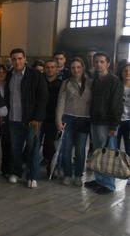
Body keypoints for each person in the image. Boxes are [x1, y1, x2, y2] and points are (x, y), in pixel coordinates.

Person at [5, 48, 48, 188]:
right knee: (16, 148)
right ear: (11, 61)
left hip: (31, 120)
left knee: (32, 147)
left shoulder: (35, 75)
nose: (17, 61)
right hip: (13, 118)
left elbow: (42, 98)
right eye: (14, 59)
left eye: (19, 58)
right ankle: (16, 172)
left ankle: (32, 176)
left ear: (25, 59)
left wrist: (37, 118)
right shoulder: (9, 75)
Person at [85, 52, 123, 194]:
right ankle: (99, 180)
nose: (98, 64)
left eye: (101, 61)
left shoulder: (114, 81)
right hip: (95, 120)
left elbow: (117, 105)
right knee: (97, 152)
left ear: (107, 64)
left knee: (107, 154)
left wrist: (113, 126)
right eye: (96, 62)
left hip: (107, 123)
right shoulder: (95, 80)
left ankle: (108, 184)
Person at [55, 58, 92, 187]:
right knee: (66, 148)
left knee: (80, 150)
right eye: (73, 68)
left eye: (78, 67)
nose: (76, 70)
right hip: (68, 118)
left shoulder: (90, 83)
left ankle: (78, 175)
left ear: (83, 68)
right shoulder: (66, 83)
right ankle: (67, 174)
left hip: (84, 119)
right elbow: (61, 102)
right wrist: (58, 120)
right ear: (70, 69)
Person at [40, 60, 62, 174]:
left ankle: (50, 168)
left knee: (50, 144)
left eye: (52, 67)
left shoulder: (61, 84)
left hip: (53, 118)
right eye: (47, 67)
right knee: (35, 143)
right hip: (40, 117)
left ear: (57, 69)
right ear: (44, 69)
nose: (50, 69)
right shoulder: (40, 82)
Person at [0, 64, 11, 177]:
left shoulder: (9, 86)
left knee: (6, 144)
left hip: (7, 117)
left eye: (3, 72)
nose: (1, 74)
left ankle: (6, 169)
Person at [118, 63, 130, 155]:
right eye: (125, 71)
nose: (128, 73)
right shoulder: (116, 86)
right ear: (121, 73)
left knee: (128, 147)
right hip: (116, 121)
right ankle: (116, 168)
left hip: (129, 121)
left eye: (129, 71)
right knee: (114, 148)